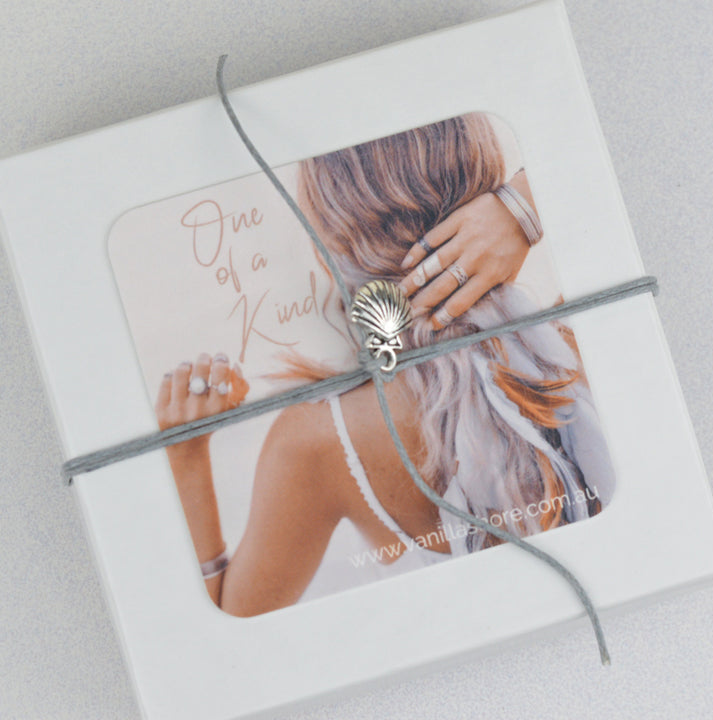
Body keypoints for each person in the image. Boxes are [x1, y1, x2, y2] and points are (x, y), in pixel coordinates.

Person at [155, 112, 614, 617]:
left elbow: (228, 621)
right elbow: (601, 150)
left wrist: (184, 455)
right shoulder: (592, 332)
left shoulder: (316, 440)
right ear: (487, 177)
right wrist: (524, 203)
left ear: (327, 245)